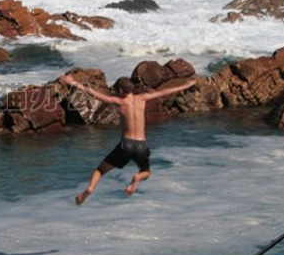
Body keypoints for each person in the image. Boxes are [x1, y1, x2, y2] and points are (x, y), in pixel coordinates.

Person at [59, 73, 196, 205]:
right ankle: (137, 178)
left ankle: (89, 189)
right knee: (146, 172)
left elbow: (96, 94)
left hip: (126, 145)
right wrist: (186, 85)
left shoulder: (120, 102)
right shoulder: (143, 98)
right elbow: (164, 92)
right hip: (141, 145)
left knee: (100, 170)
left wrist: (73, 83)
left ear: (120, 90)